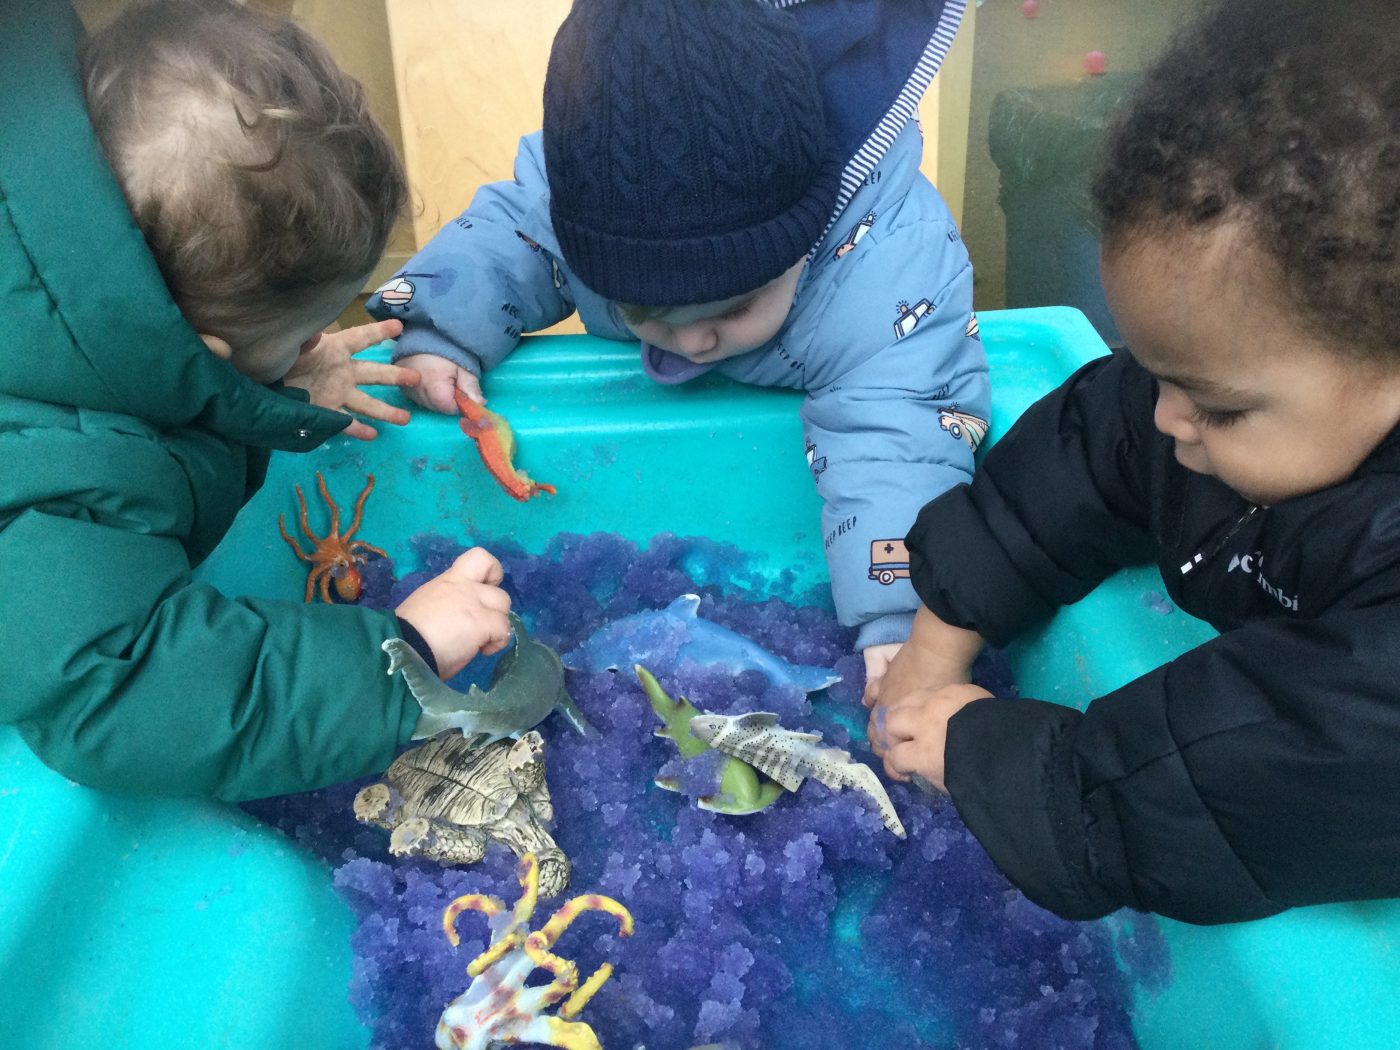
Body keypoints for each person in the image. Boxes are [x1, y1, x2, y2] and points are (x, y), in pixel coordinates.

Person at [869, 0, 1400, 925]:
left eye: (1219, 406)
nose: (1166, 418)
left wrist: (1004, 765)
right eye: (1157, 372)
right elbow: (1094, 443)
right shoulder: (1225, 385)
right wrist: (941, 631)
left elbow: (1279, 769)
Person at [366, 0, 989, 688]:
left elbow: (899, 429)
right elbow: (510, 238)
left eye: (737, 305)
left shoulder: (887, 264)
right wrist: (439, 331)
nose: (694, 340)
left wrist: (902, 618)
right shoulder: (591, 198)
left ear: (806, 239)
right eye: (646, 311)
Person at [0, 0, 512, 801]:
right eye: (304, 336)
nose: (320, 344)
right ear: (206, 352)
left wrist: (272, 381)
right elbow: (125, 686)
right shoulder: (51, 485)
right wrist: (400, 654)